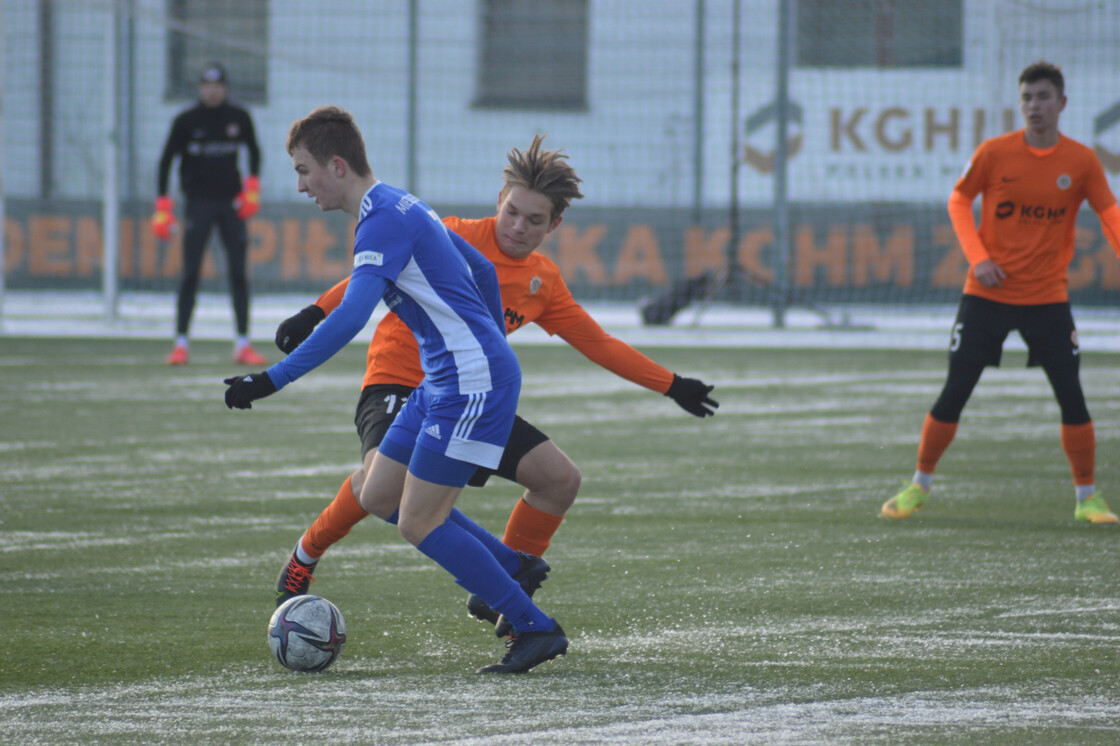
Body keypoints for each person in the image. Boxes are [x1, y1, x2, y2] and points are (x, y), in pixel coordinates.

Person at [271, 135, 719, 638]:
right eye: (512, 212)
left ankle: (507, 585)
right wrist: (314, 311)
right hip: (401, 380)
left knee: (559, 481)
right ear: (498, 201)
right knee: (381, 484)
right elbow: (367, 271)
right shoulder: (453, 232)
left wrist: (672, 384)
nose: (518, 227)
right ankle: (306, 554)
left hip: (472, 395)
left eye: (534, 220)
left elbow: (600, 343)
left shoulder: (543, 283)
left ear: (555, 225)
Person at [224, 105, 567, 674]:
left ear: (337, 165)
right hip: (448, 375)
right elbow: (481, 269)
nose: (301, 184)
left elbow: (353, 315)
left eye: (304, 170)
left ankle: (534, 627)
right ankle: (512, 564)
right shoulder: (397, 201)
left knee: (418, 521)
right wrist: (477, 337)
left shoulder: (380, 219)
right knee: (380, 492)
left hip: (466, 381)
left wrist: (270, 379)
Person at [881, 61, 1120, 525]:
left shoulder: (1081, 161)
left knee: (1072, 395)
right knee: (955, 392)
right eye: (1028, 97)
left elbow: (1109, 214)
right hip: (986, 297)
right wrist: (978, 257)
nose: (1035, 106)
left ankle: (1088, 498)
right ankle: (919, 485)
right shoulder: (994, 153)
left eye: (1044, 97)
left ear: (1062, 103)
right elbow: (957, 199)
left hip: (1048, 298)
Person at [153, 62, 267, 366]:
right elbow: (165, 161)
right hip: (198, 204)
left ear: (225, 88)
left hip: (231, 205)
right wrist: (163, 206)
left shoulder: (239, 117)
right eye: (207, 86)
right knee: (190, 273)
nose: (212, 91)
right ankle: (181, 344)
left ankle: (243, 343)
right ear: (200, 89)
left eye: (218, 86)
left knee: (238, 273)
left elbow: (254, 150)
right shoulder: (186, 121)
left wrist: (252, 187)